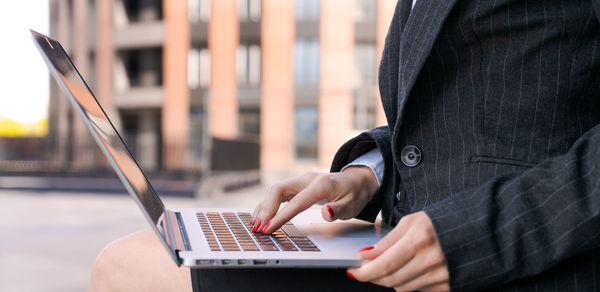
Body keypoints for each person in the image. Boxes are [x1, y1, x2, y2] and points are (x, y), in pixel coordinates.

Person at [89, 0, 600, 291]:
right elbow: (458, 115)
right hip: (399, 248)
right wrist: (366, 173)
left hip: (509, 261)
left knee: (126, 270)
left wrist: (474, 233)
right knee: (132, 261)